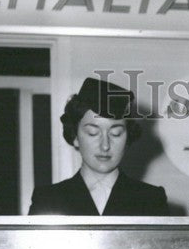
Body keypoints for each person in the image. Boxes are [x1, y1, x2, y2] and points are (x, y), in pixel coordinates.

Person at [28, 77, 169, 216]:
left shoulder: (152, 200)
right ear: (75, 136)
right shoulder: (47, 199)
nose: (105, 146)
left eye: (116, 133)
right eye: (93, 133)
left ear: (127, 139)